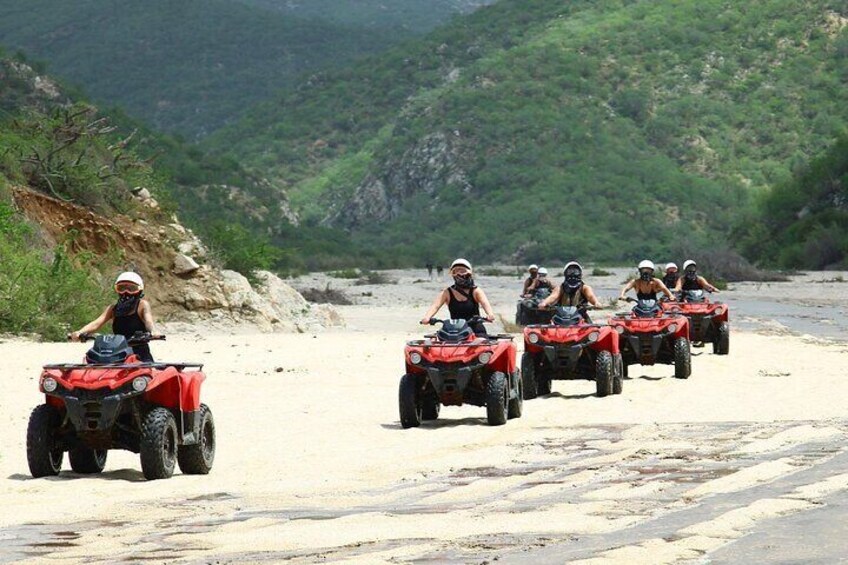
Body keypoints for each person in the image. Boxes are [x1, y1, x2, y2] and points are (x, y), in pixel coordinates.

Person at [70, 271, 159, 362]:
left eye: (131, 288)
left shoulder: (142, 305)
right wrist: (80, 332)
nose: (126, 292)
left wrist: (153, 331)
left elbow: (148, 321)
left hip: (138, 352)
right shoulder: (113, 309)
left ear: (139, 290)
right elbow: (97, 323)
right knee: (90, 358)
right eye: (122, 288)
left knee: (147, 372)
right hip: (117, 351)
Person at [421, 258, 496, 336]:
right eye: (455, 271)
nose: (459, 274)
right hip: (454, 330)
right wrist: (427, 317)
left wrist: (490, 314)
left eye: (462, 271)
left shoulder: (475, 291)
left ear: (469, 273)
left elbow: (485, 303)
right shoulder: (447, 292)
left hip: (475, 329)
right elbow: (435, 306)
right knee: (440, 340)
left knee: (481, 343)